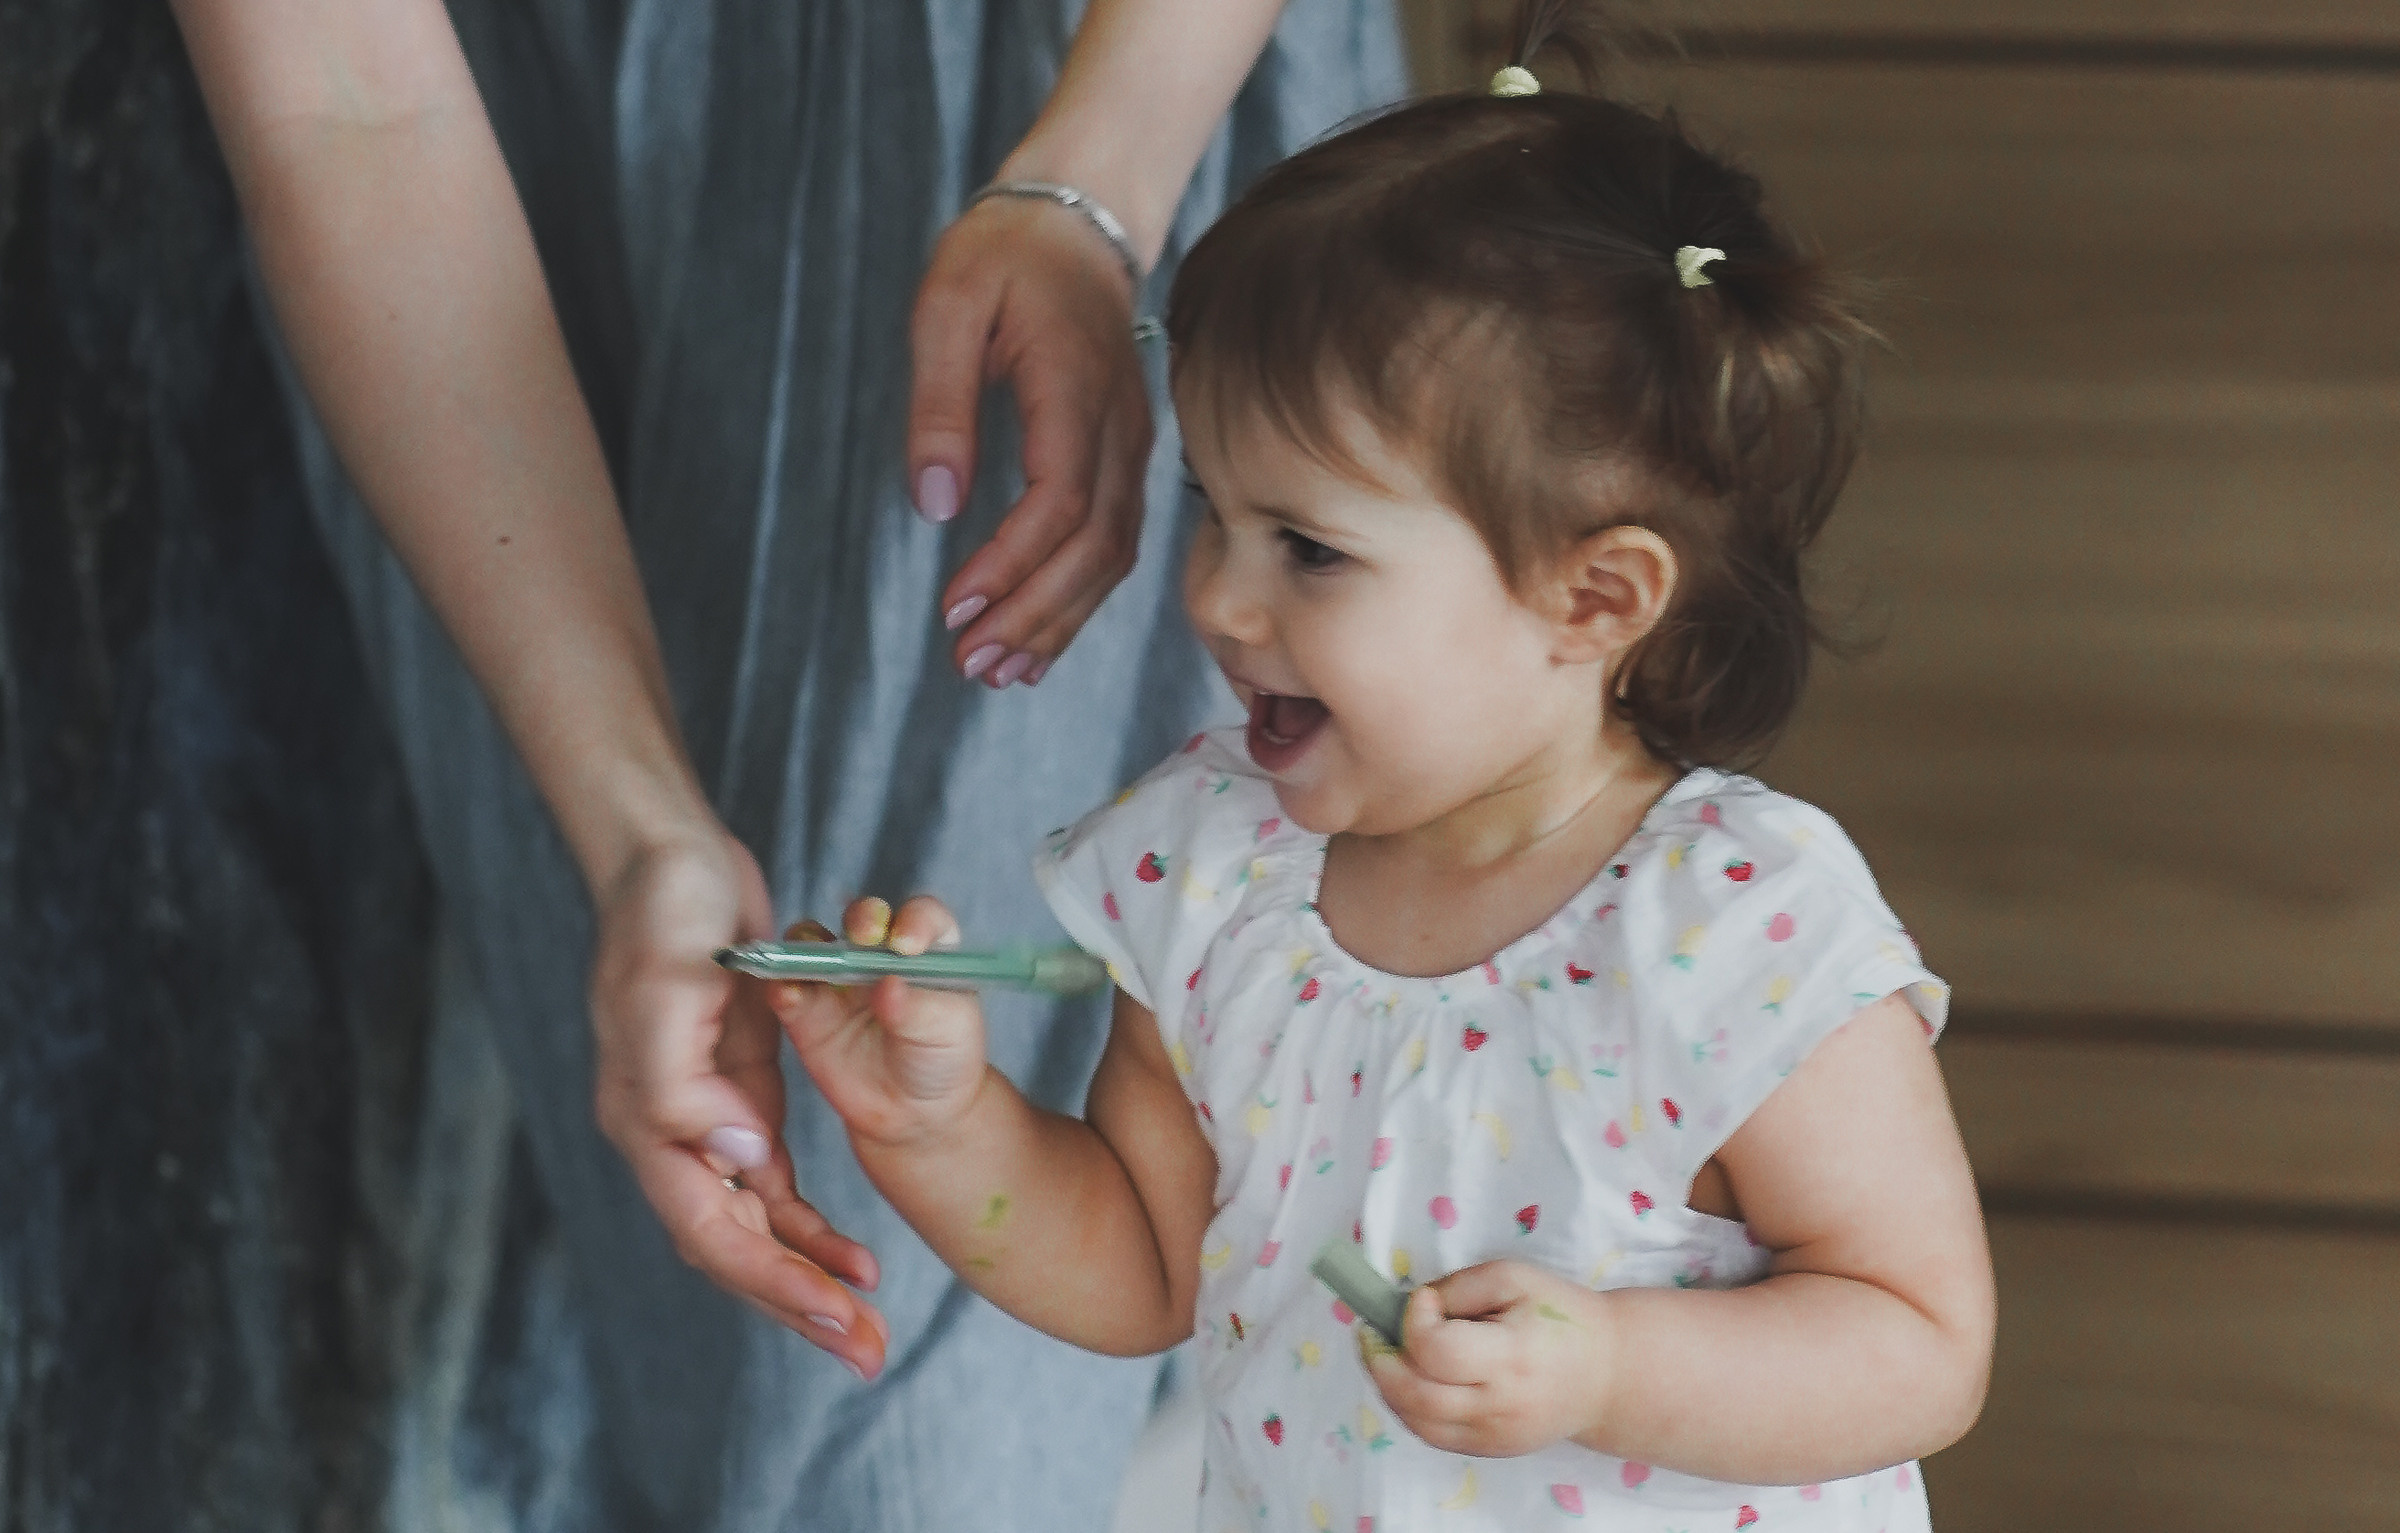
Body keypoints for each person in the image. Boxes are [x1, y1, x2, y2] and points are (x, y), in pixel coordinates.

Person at [171, 0, 1403, 1525]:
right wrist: (637, 832)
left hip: (1097, 87)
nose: (1218, 602)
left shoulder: (1713, 938)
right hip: (484, 249)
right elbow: (348, 97)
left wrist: (1088, 188)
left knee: (886, 1438)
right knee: (730, 1315)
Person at [774, 6, 1998, 1528]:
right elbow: (1151, 1261)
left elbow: (1918, 1334)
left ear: (1593, 597)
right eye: (1215, 507)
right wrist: (941, 1129)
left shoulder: (1736, 920)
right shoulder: (1211, 878)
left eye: (1310, 548)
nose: (1218, 598)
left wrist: (1609, 1366)